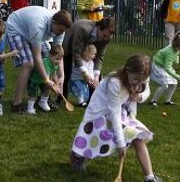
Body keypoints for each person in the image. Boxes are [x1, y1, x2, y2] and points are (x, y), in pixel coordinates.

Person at [69, 54, 162, 182]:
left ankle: (149, 177)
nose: (138, 84)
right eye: (135, 80)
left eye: (141, 81)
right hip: (101, 114)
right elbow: (114, 113)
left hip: (122, 111)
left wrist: (139, 96)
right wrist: (121, 143)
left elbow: (147, 89)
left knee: (138, 136)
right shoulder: (115, 82)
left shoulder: (142, 75)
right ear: (127, 70)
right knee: (92, 140)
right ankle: (77, 156)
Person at [6, 6, 72, 113]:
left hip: (31, 30)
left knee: (49, 58)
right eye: (60, 30)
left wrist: (61, 77)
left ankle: (43, 99)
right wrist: (47, 80)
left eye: (63, 31)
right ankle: (16, 104)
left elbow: (58, 55)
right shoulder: (38, 26)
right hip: (16, 28)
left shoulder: (60, 30)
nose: (61, 33)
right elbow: (37, 57)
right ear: (54, 22)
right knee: (29, 64)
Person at [59, 17, 116, 107]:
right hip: (69, 46)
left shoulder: (107, 37)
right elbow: (76, 53)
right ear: (99, 28)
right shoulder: (83, 28)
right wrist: (84, 73)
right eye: (104, 35)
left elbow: (99, 56)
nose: (105, 39)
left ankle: (92, 100)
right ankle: (61, 97)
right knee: (67, 70)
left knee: (95, 76)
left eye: (107, 37)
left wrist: (96, 76)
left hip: (88, 49)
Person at [149, 32, 180, 106]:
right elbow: (167, 68)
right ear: (177, 45)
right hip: (158, 66)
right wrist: (176, 76)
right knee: (165, 85)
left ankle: (167, 100)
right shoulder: (170, 52)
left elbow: (174, 58)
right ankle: (153, 100)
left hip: (164, 66)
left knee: (174, 83)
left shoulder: (176, 49)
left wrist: (176, 59)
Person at [26, 45, 64, 115]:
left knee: (48, 88)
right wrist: (54, 87)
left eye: (60, 59)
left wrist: (57, 84)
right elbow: (47, 78)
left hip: (43, 81)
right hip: (34, 80)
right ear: (50, 55)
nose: (58, 61)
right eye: (57, 59)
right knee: (33, 94)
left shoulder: (55, 63)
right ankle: (30, 108)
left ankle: (43, 101)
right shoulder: (46, 63)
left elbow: (54, 74)